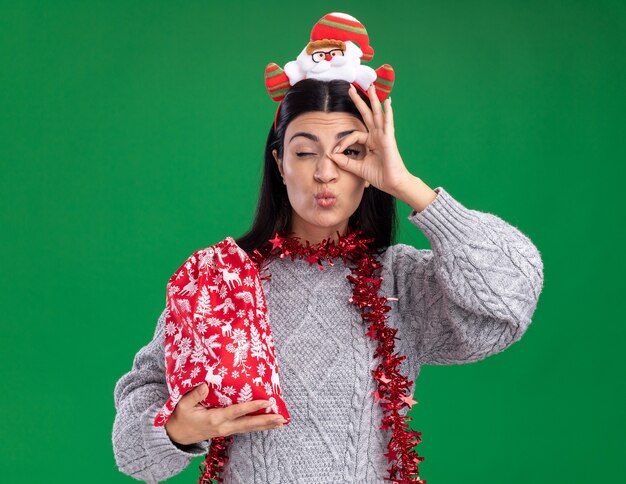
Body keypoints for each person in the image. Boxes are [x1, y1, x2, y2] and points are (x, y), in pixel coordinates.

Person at [112, 76, 544, 483]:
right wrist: (175, 430)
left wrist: (407, 185)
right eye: (304, 152)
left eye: (350, 152)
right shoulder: (221, 280)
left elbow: (512, 294)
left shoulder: (402, 283)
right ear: (280, 163)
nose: (325, 172)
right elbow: (132, 449)